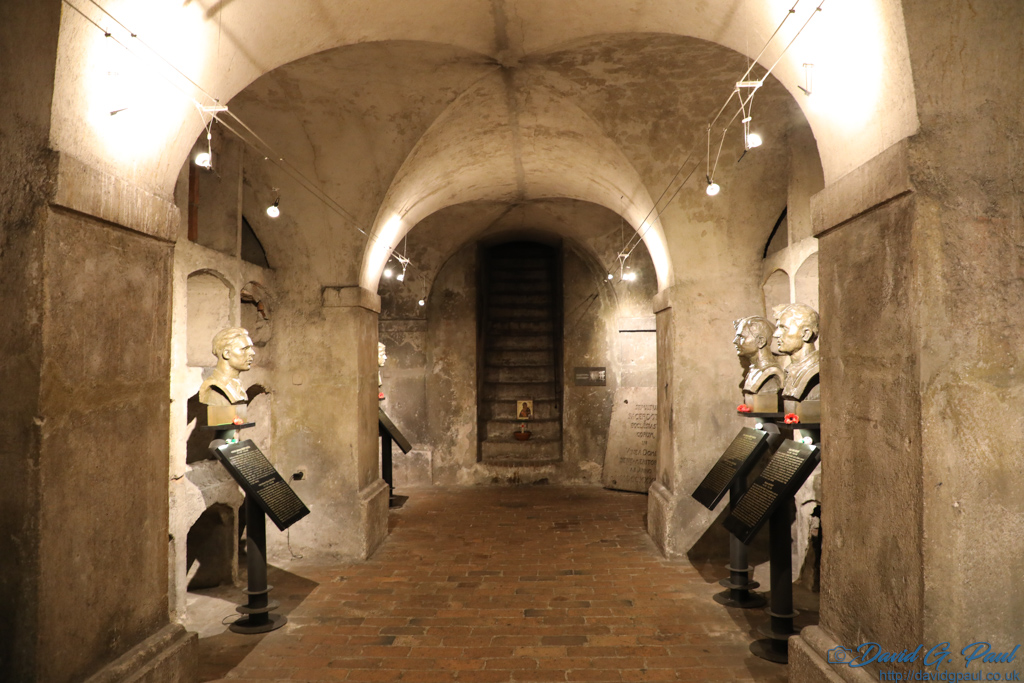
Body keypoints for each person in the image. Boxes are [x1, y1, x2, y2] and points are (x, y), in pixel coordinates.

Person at [772, 303, 820, 401]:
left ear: (806, 334)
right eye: (777, 328)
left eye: (783, 328)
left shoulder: (816, 370)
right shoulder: (790, 370)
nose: (776, 334)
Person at [199, 327, 255, 405]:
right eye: (245, 349)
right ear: (226, 353)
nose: (252, 353)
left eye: (250, 348)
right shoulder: (214, 388)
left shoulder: (237, 385)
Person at [733, 316, 784, 395]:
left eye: (741, 337)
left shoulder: (771, 373)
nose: (735, 341)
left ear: (761, 341)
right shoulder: (754, 370)